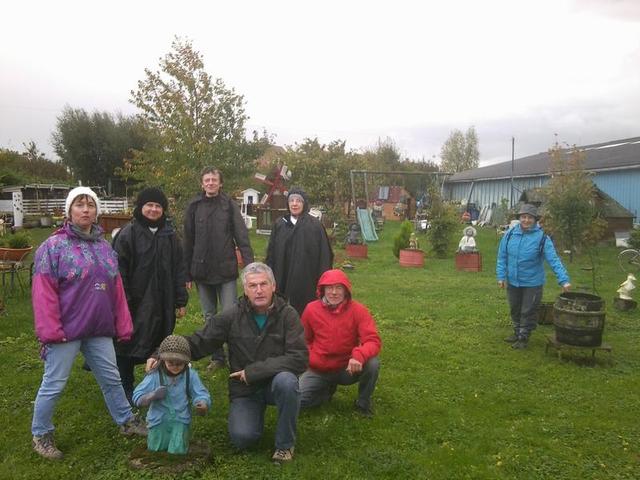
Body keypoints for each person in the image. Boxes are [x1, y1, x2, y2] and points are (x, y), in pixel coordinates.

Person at [146, 262, 307, 463]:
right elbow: (199, 341)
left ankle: (284, 445)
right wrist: (161, 353)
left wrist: (253, 371)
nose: (259, 290)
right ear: (245, 290)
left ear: (273, 286)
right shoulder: (232, 315)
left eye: (264, 284)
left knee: (287, 382)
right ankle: (252, 418)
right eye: (252, 286)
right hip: (245, 389)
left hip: (275, 383)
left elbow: (299, 357)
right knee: (243, 438)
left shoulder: (288, 315)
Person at [31, 187, 147, 460]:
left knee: (111, 378)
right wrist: (50, 330)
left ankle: (126, 421)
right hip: (65, 331)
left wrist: (122, 323)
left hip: (98, 329)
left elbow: (116, 289)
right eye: (79, 205)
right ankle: (41, 433)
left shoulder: (104, 247)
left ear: (97, 211)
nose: (85, 210)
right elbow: (43, 292)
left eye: (90, 205)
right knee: (54, 382)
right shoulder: (53, 247)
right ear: (69, 211)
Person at [113, 187, 189, 404]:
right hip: (134, 304)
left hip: (163, 303)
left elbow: (179, 269)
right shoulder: (128, 234)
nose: (154, 209)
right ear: (141, 207)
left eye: (158, 206)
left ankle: (156, 386)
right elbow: (119, 272)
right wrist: (123, 303)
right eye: (150, 205)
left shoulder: (170, 236)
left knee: (159, 345)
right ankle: (126, 390)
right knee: (126, 348)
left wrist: (180, 300)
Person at [184, 167, 254, 372]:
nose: (211, 183)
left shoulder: (229, 206)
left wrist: (250, 268)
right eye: (207, 180)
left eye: (214, 180)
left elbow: (242, 236)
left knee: (231, 314)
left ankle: (236, 357)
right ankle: (217, 357)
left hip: (225, 271)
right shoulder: (194, 206)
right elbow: (187, 241)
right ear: (202, 183)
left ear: (220, 183)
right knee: (209, 316)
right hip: (201, 271)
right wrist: (186, 272)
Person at [299, 269, 381, 417]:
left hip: (347, 368)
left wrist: (359, 356)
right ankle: (325, 391)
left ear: (346, 290)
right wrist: (314, 358)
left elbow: (372, 340)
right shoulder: (311, 309)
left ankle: (363, 403)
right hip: (319, 369)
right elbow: (303, 340)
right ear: (322, 290)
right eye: (329, 288)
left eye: (339, 287)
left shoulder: (359, 310)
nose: (334, 292)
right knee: (297, 402)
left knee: (373, 364)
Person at [496, 204, 571, 349]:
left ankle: (523, 338)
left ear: (535, 220)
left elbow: (553, 260)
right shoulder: (510, 235)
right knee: (515, 308)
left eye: (530, 218)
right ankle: (517, 333)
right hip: (513, 281)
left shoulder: (542, 238)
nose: (526, 220)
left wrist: (564, 280)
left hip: (532, 283)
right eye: (523, 217)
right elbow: (502, 257)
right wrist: (501, 277)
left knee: (527, 310)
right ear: (519, 218)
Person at [133, 335, 211, 455]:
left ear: (186, 361)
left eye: (179, 363)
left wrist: (202, 403)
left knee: (177, 450)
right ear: (162, 360)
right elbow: (137, 397)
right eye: (171, 363)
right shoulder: (154, 376)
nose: (175, 366)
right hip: (158, 419)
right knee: (156, 448)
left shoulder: (190, 375)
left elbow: (200, 392)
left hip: (180, 419)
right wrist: (152, 396)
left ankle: (177, 459)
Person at [266, 187, 333, 315]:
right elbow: (271, 254)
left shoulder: (315, 226)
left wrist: (324, 283)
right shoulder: (280, 224)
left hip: (307, 281)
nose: (294, 203)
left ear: (304, 204)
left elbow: (325, 256)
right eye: (291, 200)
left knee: (305, 314)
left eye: (298, 201)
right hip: (282, 279)